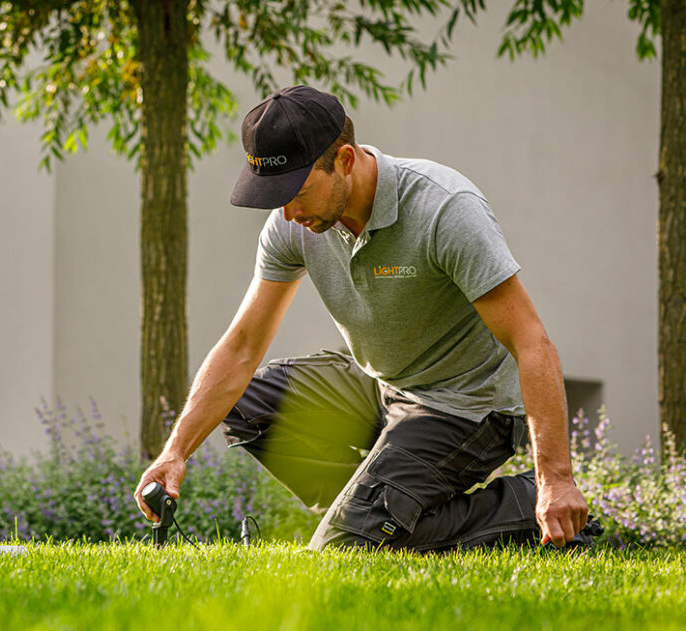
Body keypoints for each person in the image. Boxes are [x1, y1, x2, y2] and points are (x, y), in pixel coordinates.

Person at [133, 85, 592, 551]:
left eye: (298, 190)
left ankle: (518, 507)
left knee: (342, 551)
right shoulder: (295, 223)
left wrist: (556, 476)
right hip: (382, 383)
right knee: (249, 407)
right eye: (276, 194)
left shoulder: (443, 209)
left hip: (467, 405)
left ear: (346, 160)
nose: (288, 212)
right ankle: (369, 514)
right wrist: (175, 452)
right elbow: (242, 346)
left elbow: (532, 342)